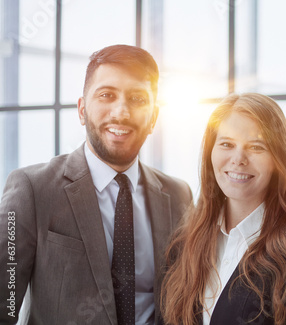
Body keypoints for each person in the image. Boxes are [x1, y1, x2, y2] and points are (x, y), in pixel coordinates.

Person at [0, 44, 192, 324]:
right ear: (82, 109)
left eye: (138, 99)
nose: (121, 112)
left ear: (153, 117)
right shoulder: (32, 189)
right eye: (107, 95)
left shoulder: (179, 195)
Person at [160, 93, 286, 325]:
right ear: (210, 154)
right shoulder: (184, 245)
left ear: (277, 159)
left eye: (255, 146)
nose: (238, 159)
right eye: (227, 144)